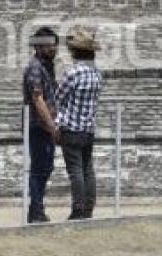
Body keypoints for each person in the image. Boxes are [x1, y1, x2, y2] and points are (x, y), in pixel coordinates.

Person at [53, 27, 103, 220]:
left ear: (75, 51)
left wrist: (57, 124)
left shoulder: (72, 73)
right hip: (88, 128)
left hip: (71, 128)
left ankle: (78, 209)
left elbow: (59, 97)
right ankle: (88, 208)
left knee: (75, 171)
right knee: (87, 169)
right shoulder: (97, 74)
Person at [22, 27, 59, 223]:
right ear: (38, 46)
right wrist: (51, 125)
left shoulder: (47, 67)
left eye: (54, 44)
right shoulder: (35, 67)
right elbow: (38, 99)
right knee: (39, 167)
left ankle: (37, 207)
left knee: (46, 166)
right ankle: (36, 210)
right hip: (38, 125)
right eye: (48, 45)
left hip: (47, 124)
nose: (53, 48)